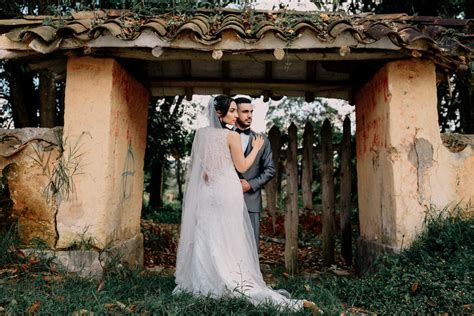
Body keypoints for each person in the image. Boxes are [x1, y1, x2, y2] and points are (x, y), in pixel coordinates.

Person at [173, 95, 319, 313]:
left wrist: (209, 174)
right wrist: (256, 149)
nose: (235, 115)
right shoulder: (230, 136)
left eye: (235, 111)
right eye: (232, 111)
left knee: (207, 232)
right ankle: (231, 277)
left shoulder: (201, 135)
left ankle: (204, 279)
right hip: (228, 191)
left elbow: (201, 169)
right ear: (219, 114)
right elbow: (241, 165)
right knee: (231, 237)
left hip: (207, 192)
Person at [234, 97, 275, 250]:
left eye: (251, 111)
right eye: (245, 111)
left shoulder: (262, 140)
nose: (250, 115)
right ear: (235, 113)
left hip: (251, 201)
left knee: (250, 248)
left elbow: (270, 169)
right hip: (225, 201)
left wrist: (250, 185)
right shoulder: (223, 137)